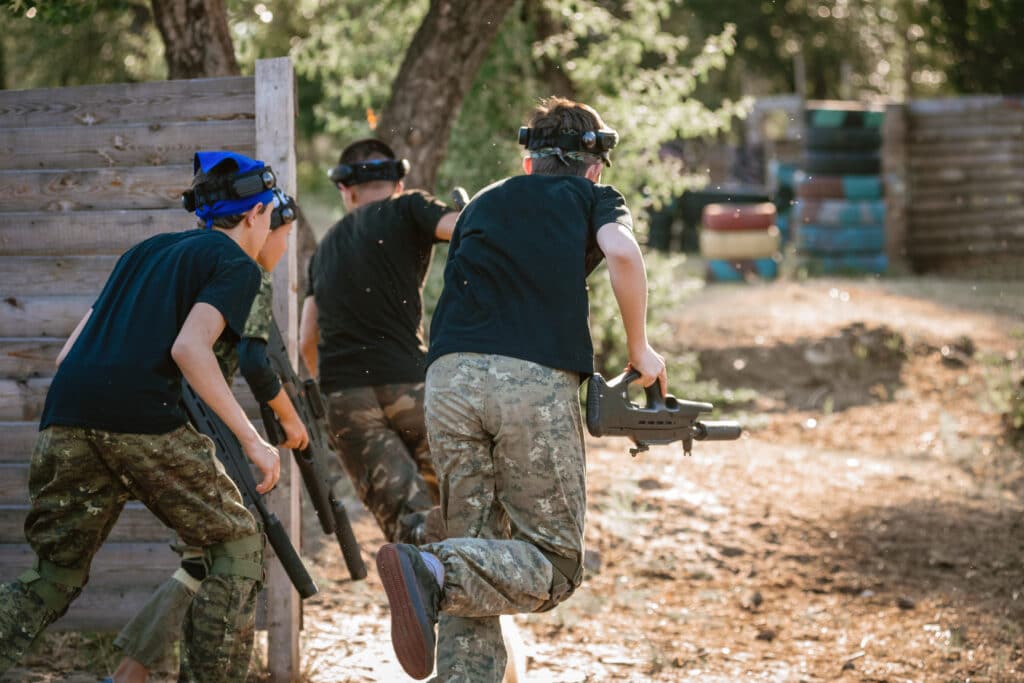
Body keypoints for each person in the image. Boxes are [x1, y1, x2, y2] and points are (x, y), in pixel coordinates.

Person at [375, 97, 668, 681]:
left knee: (481, 551)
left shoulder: (485, 199)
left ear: (529, 162)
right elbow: (623, 253)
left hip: (448, 376)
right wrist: (640, 349)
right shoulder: (594, 196)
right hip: (529, 380)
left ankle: (441, 584)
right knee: (556, 564)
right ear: (594, 166)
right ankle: (429, 567)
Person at [0, 151, 282, 683]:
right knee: (237, 543)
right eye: (270, 214)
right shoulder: (236, 264)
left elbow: (66, 356)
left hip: (66, 416)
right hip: (139, 420)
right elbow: (190, 350)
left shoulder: (144, 250)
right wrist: (252, 441)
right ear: (255, 214)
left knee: (52, 576)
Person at [105, 187, 308, 683]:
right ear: (260, 225)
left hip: (168, 421)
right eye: (283, 236)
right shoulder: (246, 273)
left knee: (200, 556)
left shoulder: (188, 261)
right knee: (228, 549)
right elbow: (258, 365)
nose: (283, 250)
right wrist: (292, 420)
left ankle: (128, 673)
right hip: (197, 432)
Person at [299, 138, 458, 546]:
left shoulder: (324, 249)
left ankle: (418, 587)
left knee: (410, 525)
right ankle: (464, 595)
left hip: (344, 397)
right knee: (455, 510)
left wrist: (338, 391)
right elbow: (461, 229)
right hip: (408, 386)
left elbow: (306, 341)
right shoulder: (409, 208)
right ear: (398, 184)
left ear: (345, 189)